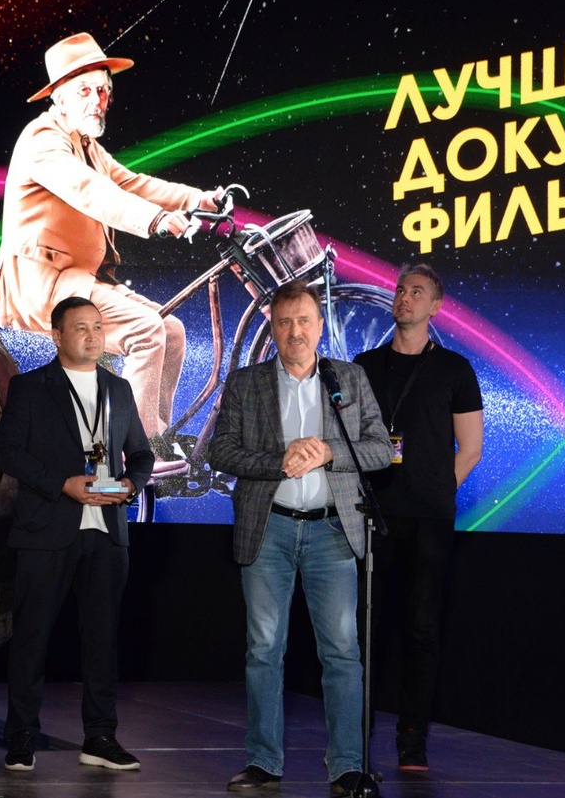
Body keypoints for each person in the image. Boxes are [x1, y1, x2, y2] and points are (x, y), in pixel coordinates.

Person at [0, 31, 225, 455]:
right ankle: (134, 450)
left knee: (171, 330)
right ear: (60, 97)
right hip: (42, 284)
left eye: (103, 90)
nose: (98, 100)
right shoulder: (43, 140)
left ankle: (154, 438)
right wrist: (154, 219)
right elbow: (89, 191)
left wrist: (196, 199)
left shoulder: (88, 146)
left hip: (76, 280)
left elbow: (132, 183)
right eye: (86, 90)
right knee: (145, 330)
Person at [208, 280, 393, 795]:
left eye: (304, 321)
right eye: (285, 322)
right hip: (268, 529)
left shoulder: (348, 378)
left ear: (320, 325)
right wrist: (280, 461)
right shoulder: (246, 383)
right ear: (273, 327)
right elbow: (220, 452)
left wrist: (330, 450)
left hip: (333, 531)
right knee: (264, 649)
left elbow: (382, 449)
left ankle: (348, 766)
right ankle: (264, 761)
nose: (296, 331)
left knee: (342, 652)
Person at [0, 296, 155, 772]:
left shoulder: (118, 388)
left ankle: (100, 737)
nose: (92, 335)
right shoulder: (30, 387)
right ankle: (22, 735)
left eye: (98, 327)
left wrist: (130, 485)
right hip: (47, 527)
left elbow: (142, 454)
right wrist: (60, 484)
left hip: (106, 531)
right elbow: (7, 452)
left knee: (102, 640)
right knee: (32, 637)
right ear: (57, 335)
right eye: (80, 327)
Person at [353, 263, 483, 772]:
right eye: (400, 289)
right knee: (364, 629)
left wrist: (435, 491)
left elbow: (470, 448)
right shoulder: (364, 365)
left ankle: (412, 738)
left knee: (422, 629)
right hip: (372, 514)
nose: (404, 298)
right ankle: (355, 733)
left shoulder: (454, 368)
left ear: (436, 307)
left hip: (428, 519)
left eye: (417, 292)